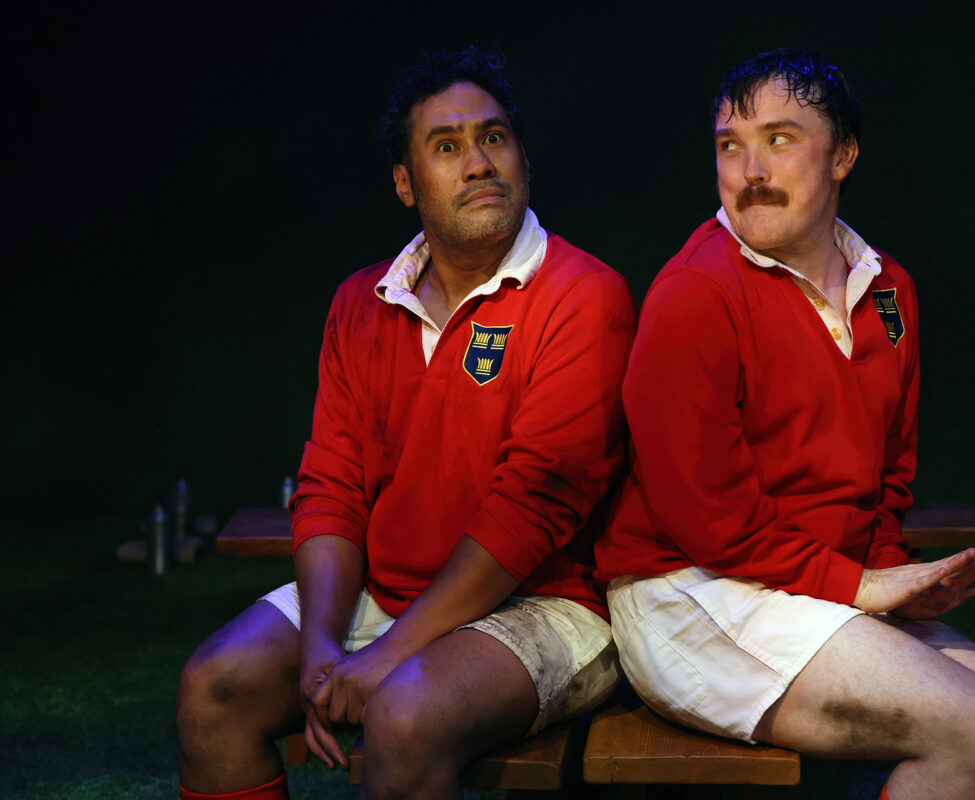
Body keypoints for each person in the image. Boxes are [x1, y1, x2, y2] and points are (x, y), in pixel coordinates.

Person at [177, 46, 634, 800]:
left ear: (522, 155)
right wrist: (322, 649)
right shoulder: (363, 302)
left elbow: (532, 509)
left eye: (494, 138)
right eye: (447, 146)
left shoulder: (585, 295)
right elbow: (330, 486)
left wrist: (389, 656)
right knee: (214, 685)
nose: (478, 161)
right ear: (405, 182)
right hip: (389, 594)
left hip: (550, 602)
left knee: (406, 713)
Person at [595, 48, 975, 800]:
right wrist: (861, 586)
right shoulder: (694, 294)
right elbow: (709, 518)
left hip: (808, 586)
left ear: (843, 154)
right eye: (729, 146)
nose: (750, 170)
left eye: (779, 139)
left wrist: (897, 580)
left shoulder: (888, 289)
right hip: (690, 592)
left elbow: (888, 471)